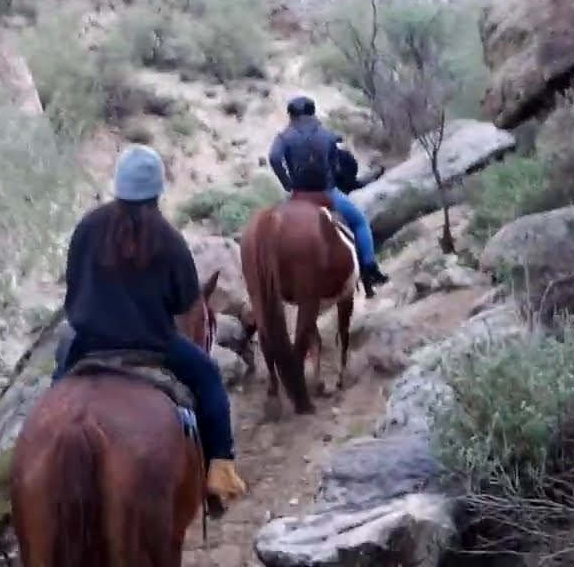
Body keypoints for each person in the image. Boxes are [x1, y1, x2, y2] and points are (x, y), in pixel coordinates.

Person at [51, 144, 248, 508]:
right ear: (157, 190)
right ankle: (219, 470)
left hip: (87, 341)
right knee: (208, 378)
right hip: (152, 345)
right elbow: (189, 312)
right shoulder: (167, 238)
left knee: (55, 392)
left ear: (118, 185)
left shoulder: (88, 227)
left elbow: (73, 285)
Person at [268, 95, 388, 297]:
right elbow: (335, 166)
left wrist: (287, 183)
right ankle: (370, 268)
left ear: (291, 115)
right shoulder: (326, 134)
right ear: (312, 112)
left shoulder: (284, 137)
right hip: (326, 193)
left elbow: (274, 158)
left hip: (298, 195)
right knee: (359, 222)